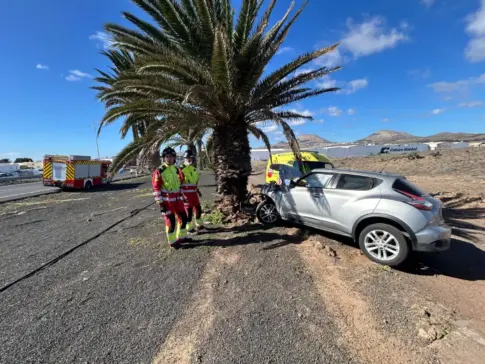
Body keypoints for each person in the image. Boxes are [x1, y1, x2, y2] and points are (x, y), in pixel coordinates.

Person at [152, 147, 189, 249]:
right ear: (164, 158)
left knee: (184, 218)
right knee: (171, 221)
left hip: (178, 200)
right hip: (167, 202)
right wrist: (160, 203)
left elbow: (179, 184)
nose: (169, 159)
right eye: (167, 157)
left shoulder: (177, 170)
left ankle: (181, 237)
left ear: (174, 158)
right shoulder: (159, 171)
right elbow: (156, 188)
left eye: (171, 157)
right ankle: (172, 242)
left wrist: (182, 196)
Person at [179, 150, 203, 234]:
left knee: (198, 209)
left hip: (194, 193)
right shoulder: (180, 169)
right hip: (186, 194)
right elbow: (177, 183)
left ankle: (199, 225)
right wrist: (180, 195)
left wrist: (198, 191)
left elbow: (195, 182)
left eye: (191, 158)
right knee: (188, 212)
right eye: (187, 158)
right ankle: (188, 228)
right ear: (184, 158)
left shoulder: (194, 169)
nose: (189, 159)